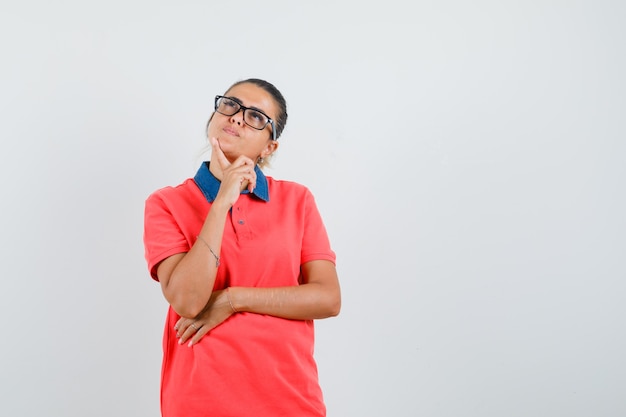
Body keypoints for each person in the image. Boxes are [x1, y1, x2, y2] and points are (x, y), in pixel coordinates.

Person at [143, 78, 341, 417]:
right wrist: (221, 202)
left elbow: (327, 298)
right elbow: (188, 301)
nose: (236, 117)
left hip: (291, 399)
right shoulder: (166, 203)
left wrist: (233, 300)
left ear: (269, 148)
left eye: (255, 117)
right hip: (200, 400)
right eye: (231, 105)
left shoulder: (297, 200)